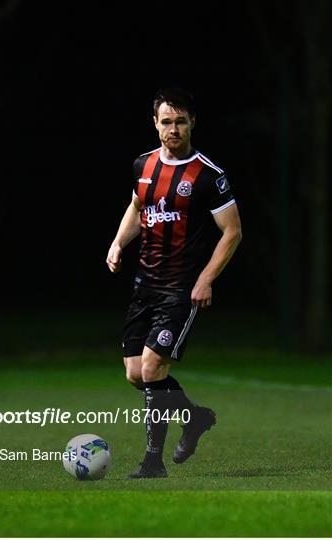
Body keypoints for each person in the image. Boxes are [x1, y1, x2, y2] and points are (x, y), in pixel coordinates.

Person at [106, 87, 242, 479]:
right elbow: (137, 208)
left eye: (180, 121)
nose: (173, 129)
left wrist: (206, 278)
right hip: (144, 285)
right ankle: (195, 416)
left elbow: (232, 232)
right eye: (166, 121)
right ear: (155, 123)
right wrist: (117, 243)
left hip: (181, 289)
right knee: (135, 373)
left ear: (192, 123)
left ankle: (153, 462)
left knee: (152, 369)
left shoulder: (208, 176)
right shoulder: (143, 165)